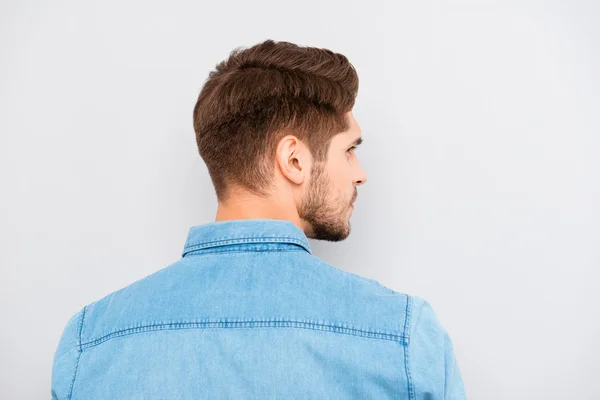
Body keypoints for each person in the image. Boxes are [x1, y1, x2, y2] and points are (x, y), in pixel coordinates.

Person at [51, 39, 466, 399]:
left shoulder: (89, 342)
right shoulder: (402, 337)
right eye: (349, 149)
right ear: (294, 160)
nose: (360, 173)